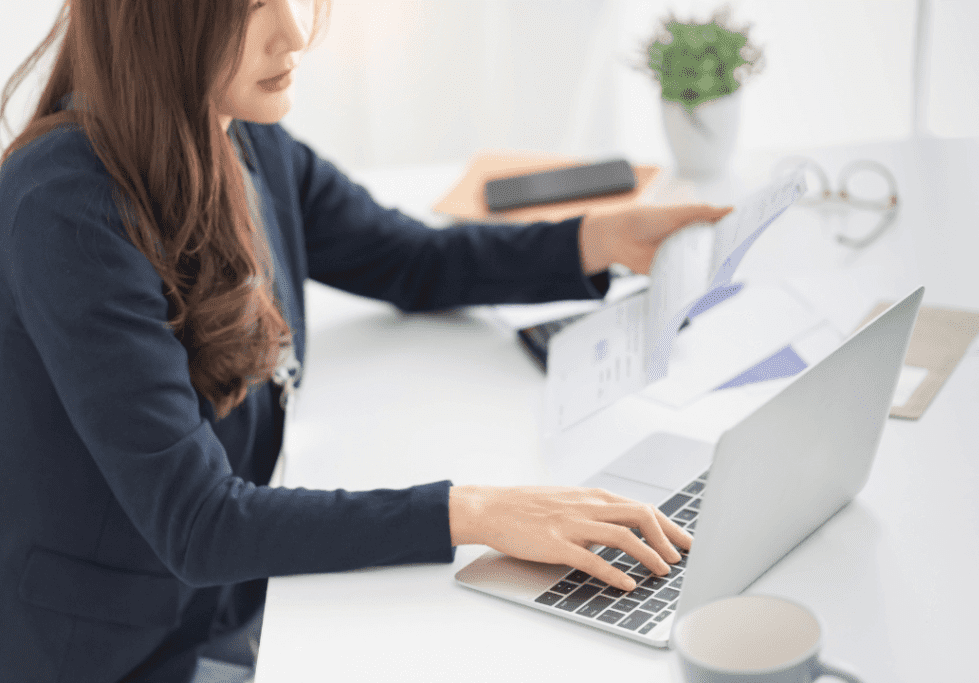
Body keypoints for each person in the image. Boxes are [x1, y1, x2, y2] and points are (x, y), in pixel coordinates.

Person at [0, 1, 733, 680]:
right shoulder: (64, 208)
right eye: (247, 9)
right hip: (110, 649)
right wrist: (477, 511)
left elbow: (407, 258)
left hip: (230, 605)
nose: (293, 34)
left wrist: (595, 240)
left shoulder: (241, 136)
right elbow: (200, 523)